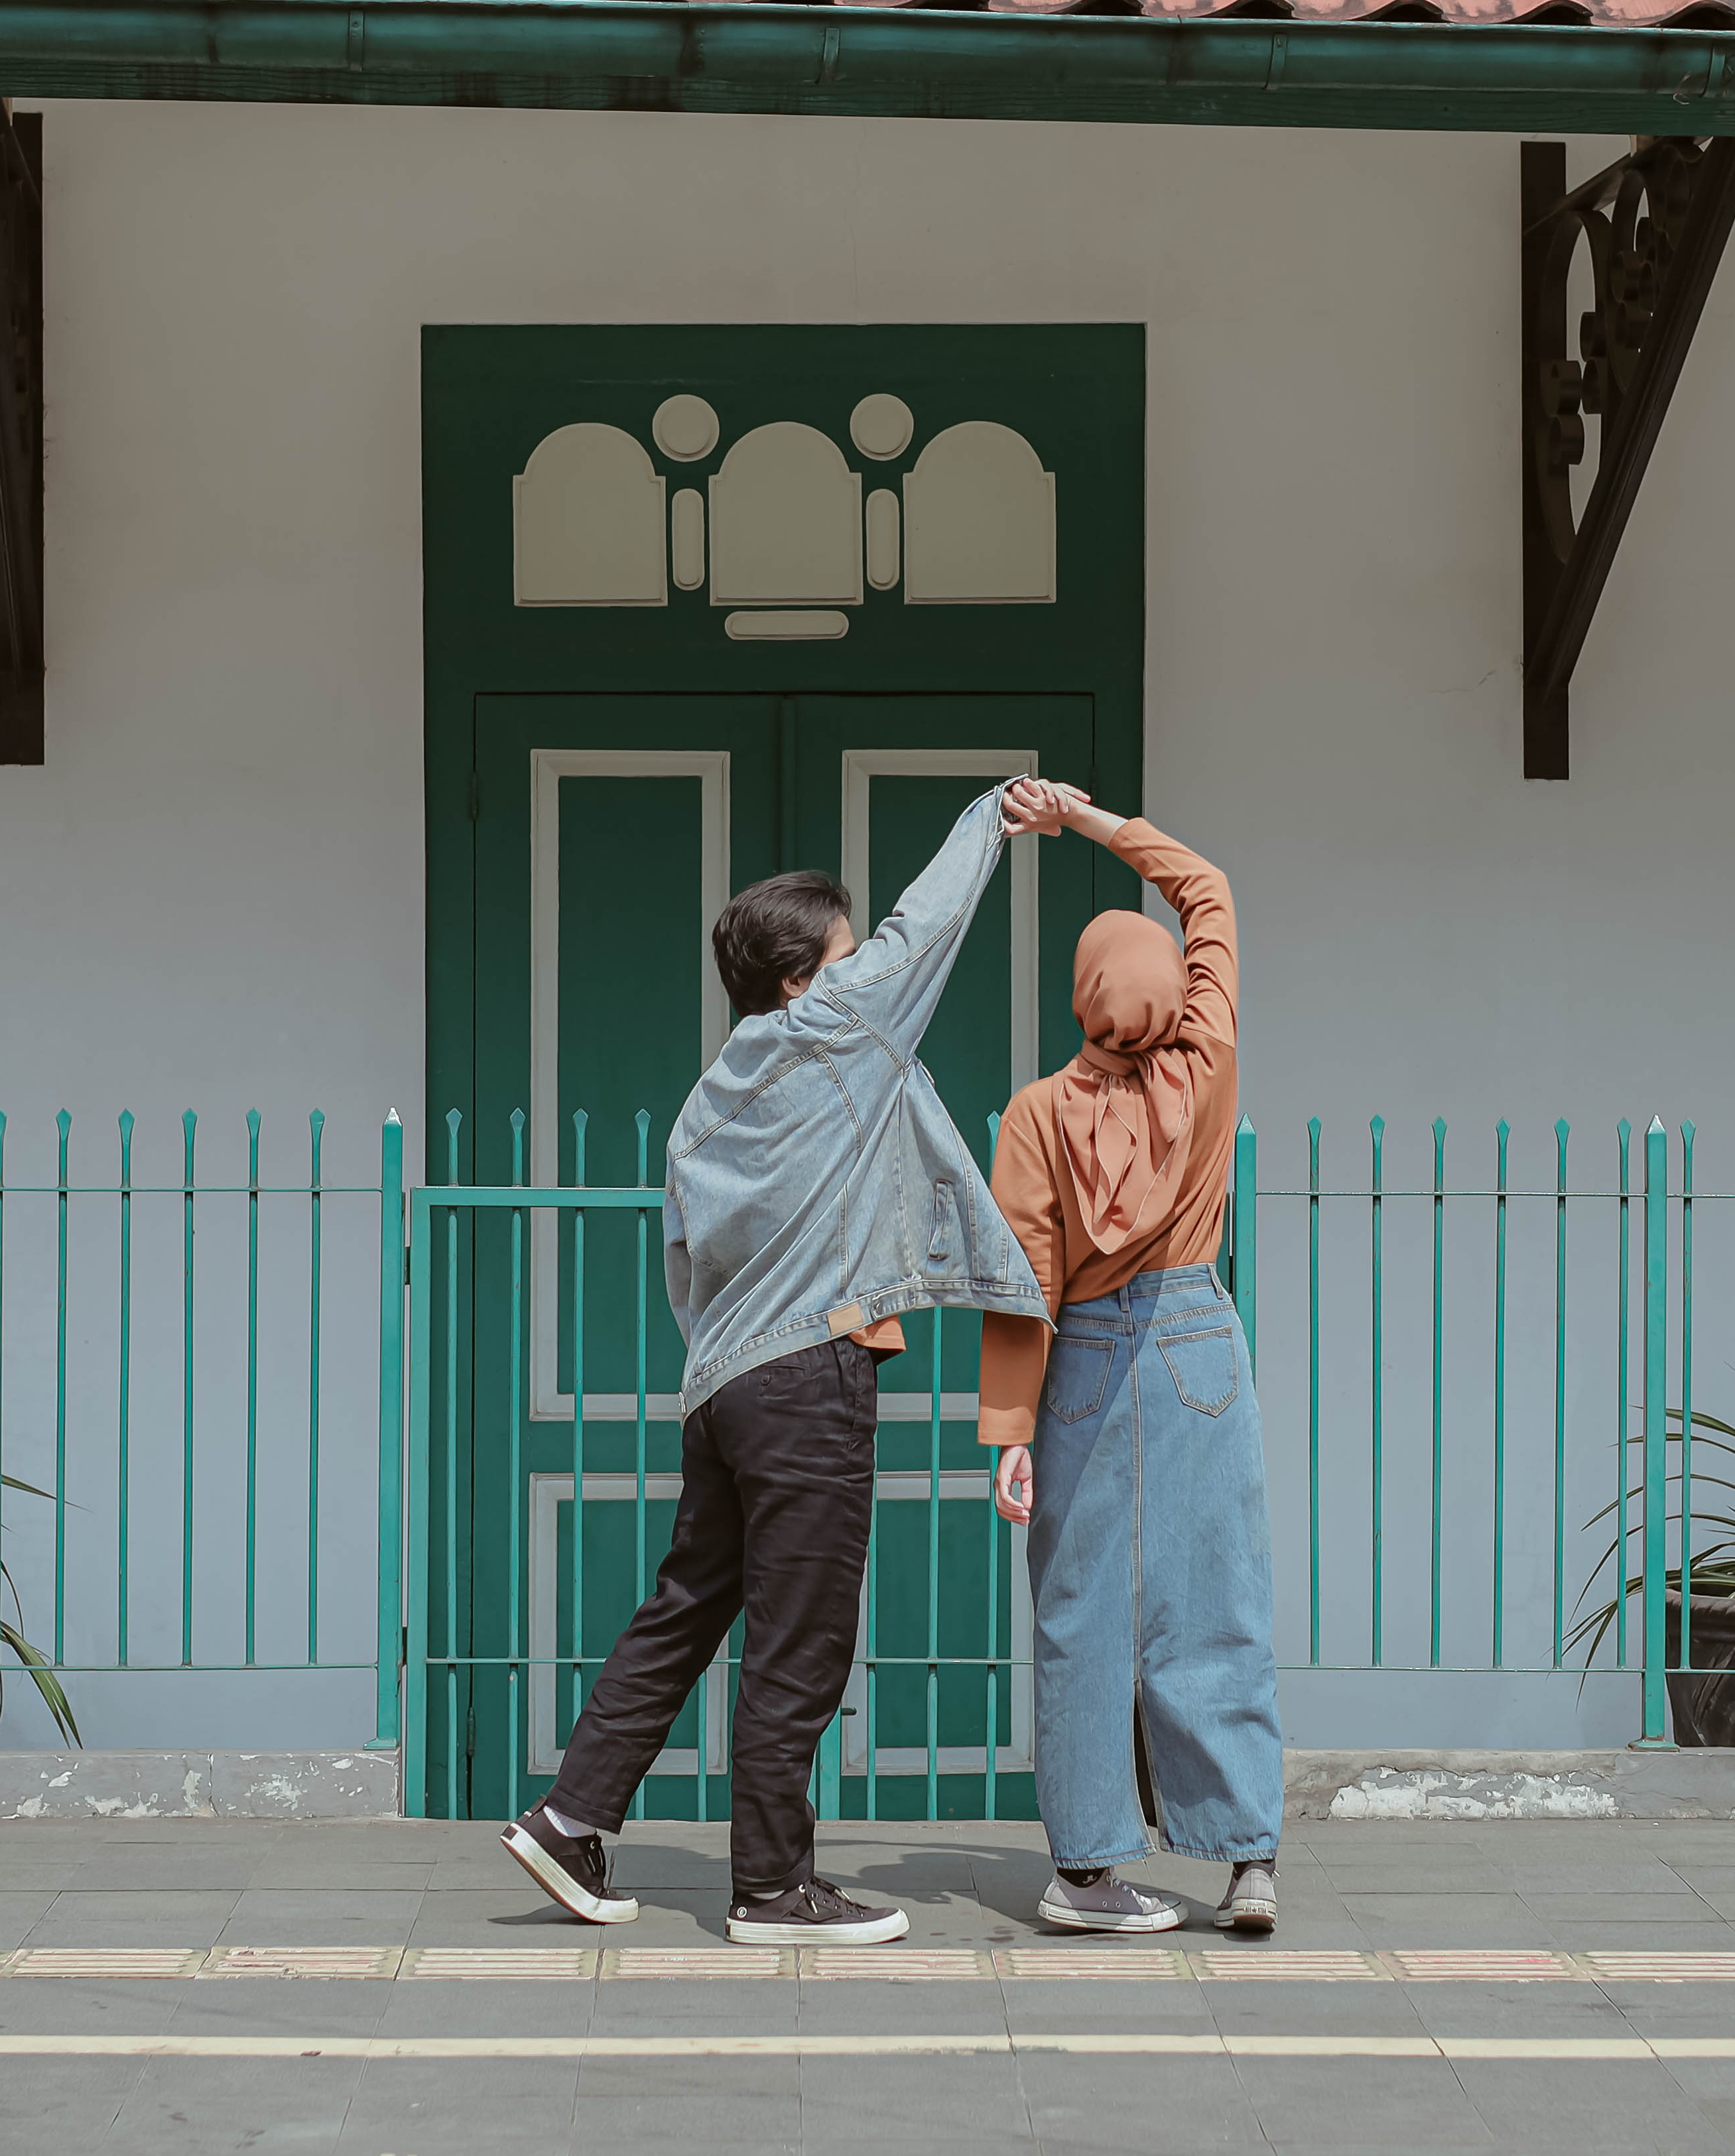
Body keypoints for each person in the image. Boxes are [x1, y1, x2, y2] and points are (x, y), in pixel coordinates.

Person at [501, 780, 1057, 1946]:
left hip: (727, 1388)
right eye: (845, 960)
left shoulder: (706, 1105)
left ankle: (567, 1817)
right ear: (804, 979)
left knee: (687, 1609)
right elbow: (927, 930)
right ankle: (772, 1888)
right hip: (808, 1380)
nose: (869, 977)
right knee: (802, 1635)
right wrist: (990, 820)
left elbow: (684, 1269)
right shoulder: (836, 1033)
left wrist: (724, 1364)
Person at [978, 783, 1283, 1936]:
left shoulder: (1035, 1114)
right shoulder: (1205, 1062)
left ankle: (1090, 1870)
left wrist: (1009, 1432)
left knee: (1081, 1615)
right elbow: (1207, 891)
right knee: (1218, 1601)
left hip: (1088, 1358)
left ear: (1084, 998)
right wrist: (1092, 822)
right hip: (1199, 1339)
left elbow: (1025, 1286)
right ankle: (1246, 1855)